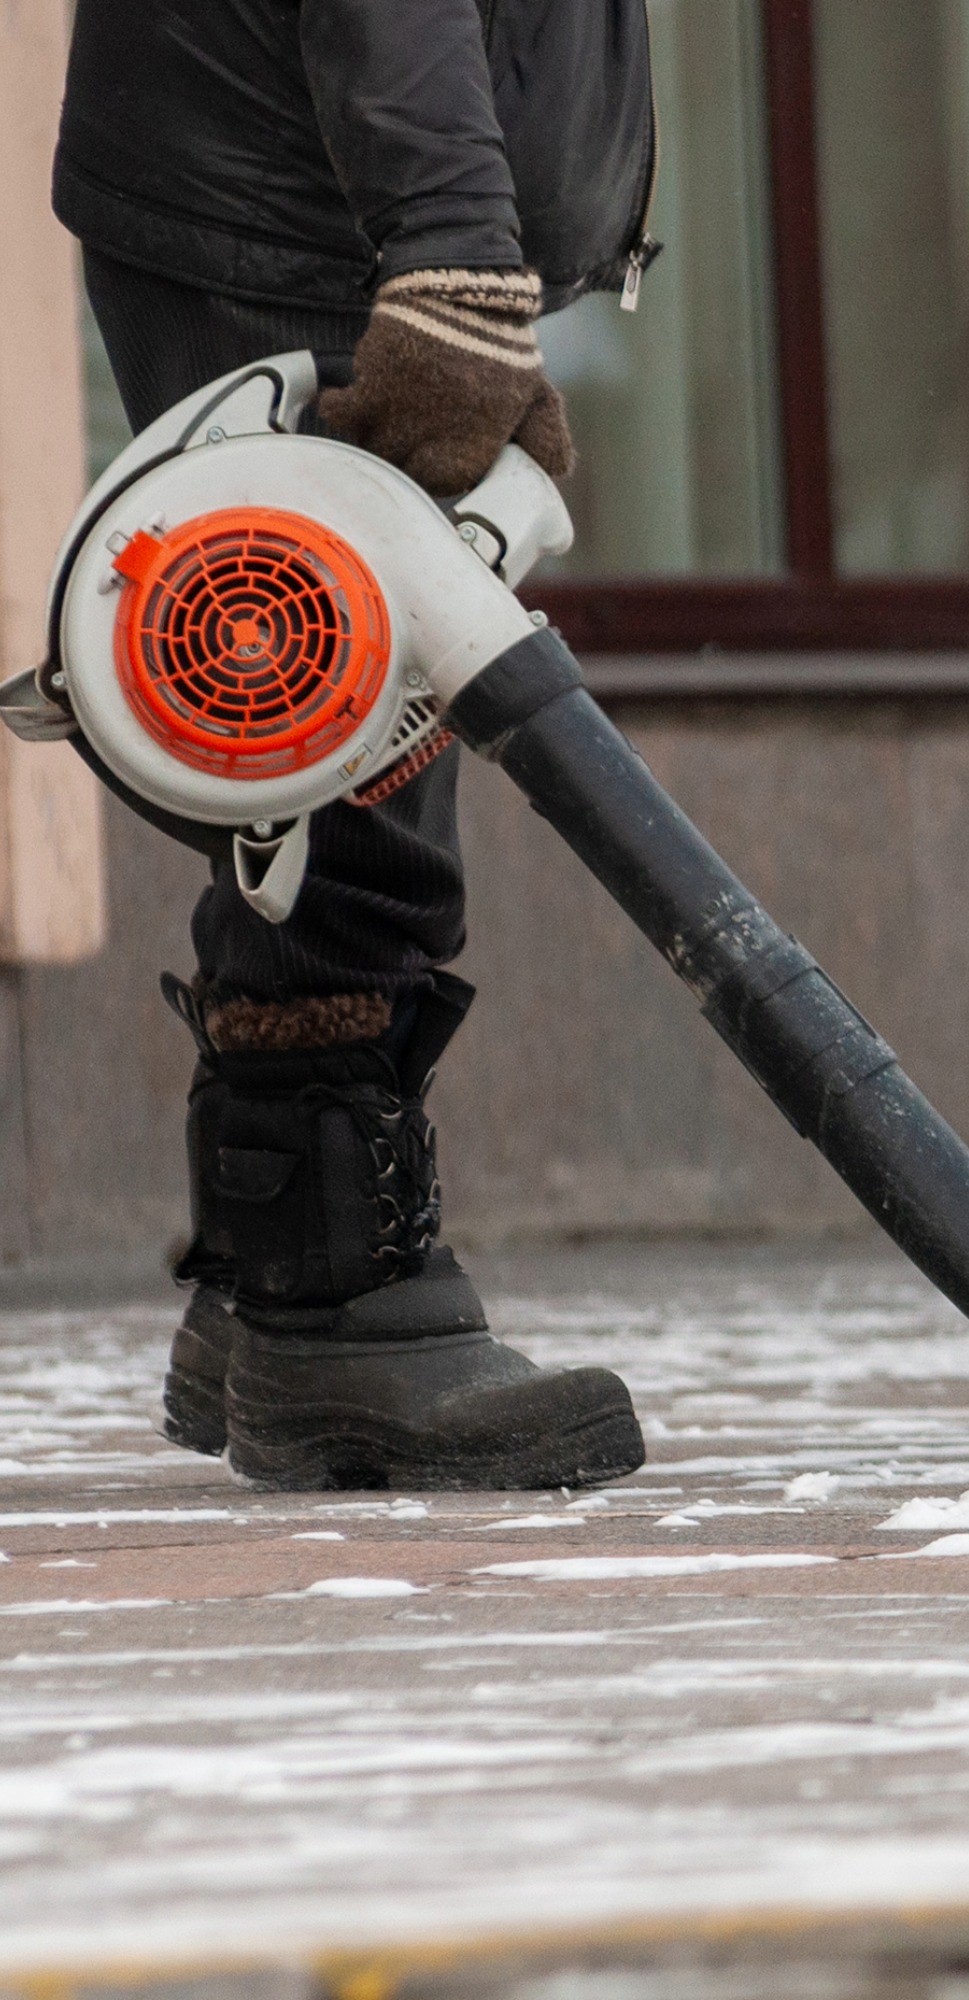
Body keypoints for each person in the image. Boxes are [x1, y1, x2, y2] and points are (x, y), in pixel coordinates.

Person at [51, 0, 657, 1490]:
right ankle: (331, 1308)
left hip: (342, 175)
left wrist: (472, 243)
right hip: (297, 181)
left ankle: (264, 1265)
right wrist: (450, 247)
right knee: (330, 749)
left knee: (336, 739)